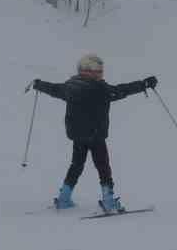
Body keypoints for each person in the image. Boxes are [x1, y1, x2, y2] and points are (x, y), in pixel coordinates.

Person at [31, 54, 157, 211]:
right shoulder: (101, 89)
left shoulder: (70, 87)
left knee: (76, 164)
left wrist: (39, 84)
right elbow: (122, 90)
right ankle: (108, 200)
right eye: (97, 70)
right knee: (103, 166)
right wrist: (144, 84)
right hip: (96, 135)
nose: (100, 74)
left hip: (78, 134)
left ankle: (64, 197)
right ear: (86, 71)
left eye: (101, 71)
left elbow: (53, 89)